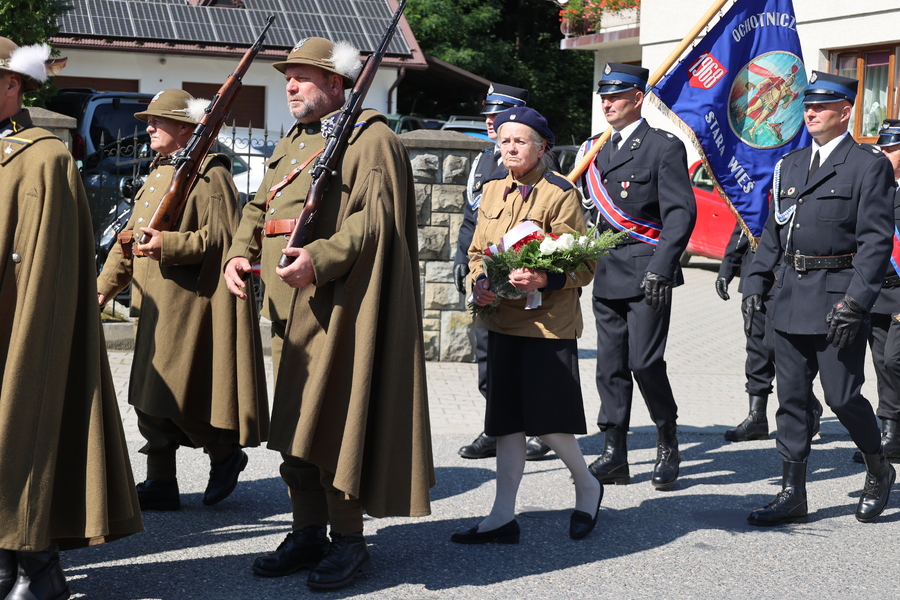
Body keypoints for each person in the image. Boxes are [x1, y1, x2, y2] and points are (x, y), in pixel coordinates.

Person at [225, 38, 434, 590]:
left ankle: (348, 540)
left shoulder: (371, 138)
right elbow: (259, 206)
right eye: (287, 77)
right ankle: (306, 533)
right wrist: (238, 254)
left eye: (302, 77)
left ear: (336, 83)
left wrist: (319, 260)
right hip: (284, 307)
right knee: (294, 428)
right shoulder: (296, 140)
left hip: (334, 308)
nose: (290, 86)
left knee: (332, 427)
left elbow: (375, 222)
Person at [0, 37, 143, 599]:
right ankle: (4, 561)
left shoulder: (44, 157)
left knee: (22, 432)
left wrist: (31, 338)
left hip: (20, 323)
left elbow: (50, 270)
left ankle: (40, 568)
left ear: (11, 84)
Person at [97, 89, 269, 512]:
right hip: (150, 302)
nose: (149, 128)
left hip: (187, 303)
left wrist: (169, 245)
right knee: (145, 394)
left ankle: (224, 452)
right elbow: (129, 240)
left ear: (186, 127)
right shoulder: (160, 171)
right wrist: (103, 288)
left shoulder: (211, 174)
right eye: (149, 121)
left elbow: (224, 240)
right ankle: (160, 480)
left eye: (159, 120)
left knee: (171, 393)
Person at [741, 72, 896, 525]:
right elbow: (774, 233)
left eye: (821, 106)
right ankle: (793, 493)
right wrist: (754, 282)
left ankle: (878, 468)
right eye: (807, 105)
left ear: (845, 112)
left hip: (837, 299)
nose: (810, 112)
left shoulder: (867, 164)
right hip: (790, 295)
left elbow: (875, 242)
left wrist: (857, 302)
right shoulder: (790, 164)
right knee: (791, 398)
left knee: (842, 397)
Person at [452, 106, 603, 545]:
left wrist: (544, 278)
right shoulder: (491, 190)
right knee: (506, 421)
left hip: (546, 326)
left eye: (520, 141)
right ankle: (502, 515)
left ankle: (586, 484)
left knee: (548, 420)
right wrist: (479, 283)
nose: (511, 148)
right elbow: (477, 252)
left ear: (541, 147)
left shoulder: (560, 194)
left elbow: (584, 265)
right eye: (505, 141)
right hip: (502, 320)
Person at [577, 63, 696, 489]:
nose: (607, 103)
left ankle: (667, 438)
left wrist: (663, 267)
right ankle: (615, 452)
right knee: (609, 366)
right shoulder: (595, 149)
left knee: (644, 362)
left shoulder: (663, 147)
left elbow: (680, 214)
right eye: (604, 96)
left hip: (648, 272)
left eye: (616, 96)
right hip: (607, 270)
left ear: (637, 98)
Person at [453, 82, 551, 461]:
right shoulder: (484, 159)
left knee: (527, 358)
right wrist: (461, 258)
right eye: (488, 115)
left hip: (523, 280)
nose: (490, 121)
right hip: (485, 275)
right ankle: (495, 426)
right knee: (487, 356)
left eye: (498, 114)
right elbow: (471, 216)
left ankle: (540, 428)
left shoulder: (538, 159)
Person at [716, 222, 823, 442]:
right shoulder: (758, 198)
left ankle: (806, 402)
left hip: (787, 275)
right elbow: (744, 223)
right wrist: (727, 267)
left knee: (779, 348)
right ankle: (757, 416)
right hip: (754, 275)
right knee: (755, 347)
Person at [850, 119, 900, 464]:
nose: (884, 154)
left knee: (895, 359)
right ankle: (890, 431)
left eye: (892, 148)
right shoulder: (875, 187)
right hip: (877, 292)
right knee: (882, 362)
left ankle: (893, 430)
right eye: (882, 148)